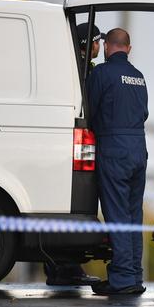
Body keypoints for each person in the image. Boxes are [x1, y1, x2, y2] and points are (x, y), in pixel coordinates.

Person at [42, 23, 106, 288]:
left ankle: (59, 268)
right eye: (97, 41)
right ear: (87, 44)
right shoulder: (83, 70)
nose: (98, 47)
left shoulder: (68, 65)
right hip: (74, 145)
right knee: (72, 206)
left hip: (59, 145)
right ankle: (67, 267)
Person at [87, 28, 148, 295]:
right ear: (129, 48)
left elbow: (89, 109)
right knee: (134, 215)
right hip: (138, 148)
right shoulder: (139, 77)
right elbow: (144, 112)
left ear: (107, 46)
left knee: (117, 214)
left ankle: (122, 279)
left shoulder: (101, 73)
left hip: (113, 147)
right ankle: (134, 275)